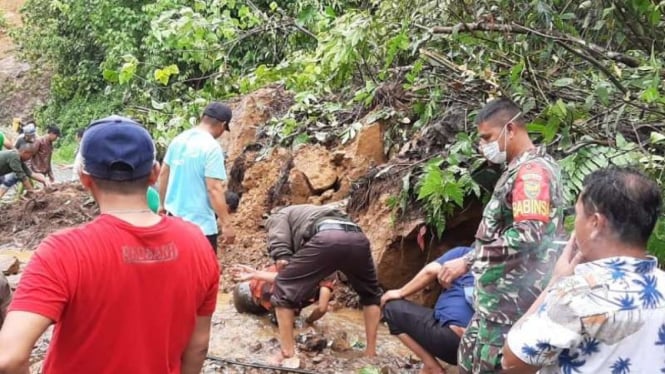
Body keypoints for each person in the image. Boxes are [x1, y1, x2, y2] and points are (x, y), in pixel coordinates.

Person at [0, 116, 220, 374]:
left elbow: (9, 358)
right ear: (155, 173)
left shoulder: (63, 252)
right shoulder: (197, 243)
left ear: (84, 177)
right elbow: (198, 347)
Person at [436, 98, 565, 373]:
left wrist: (470, 260)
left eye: (487, 137)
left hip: (511, 306)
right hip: (494, 305)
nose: (484, 146)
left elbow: (527, 234)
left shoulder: (533, 174)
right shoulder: (518, 170)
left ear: (511, 129)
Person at [502, 167, 665, 373]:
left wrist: (556, 282)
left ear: (595, 223)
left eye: (578, 214)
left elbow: (512, 362)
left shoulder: (576, 294)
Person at [265, 204, 382, 361]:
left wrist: (282, 256)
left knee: (283, 286)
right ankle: (370, 352)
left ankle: (287, 351)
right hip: (358, 239)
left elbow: (281, 255)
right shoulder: (314, 211)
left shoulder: (280, 214)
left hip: (327, 238)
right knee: (371, 295)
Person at [381, 247, 475, 374]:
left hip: (453, 343)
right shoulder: (506, 270)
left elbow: (430, 272)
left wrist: (400, 292)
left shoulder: (464, 254)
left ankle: (432, 366)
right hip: (484, 352)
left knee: (391, 308)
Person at [159, 101, 235, 254]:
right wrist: (226, 224)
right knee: (204, 274)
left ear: (203, 117)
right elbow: (213, 189)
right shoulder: (211, 147)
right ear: (223, 124)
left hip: (173, 222)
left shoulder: (178, 140)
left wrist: (162, 205)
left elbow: (163, 173)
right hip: (200, 227)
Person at [231, 264, 336, 324]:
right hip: (258, 297)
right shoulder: (328, 274)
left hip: (254, 288)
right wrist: (308, 322)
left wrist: (255, 273)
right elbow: (322, 308)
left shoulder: (310, 256)